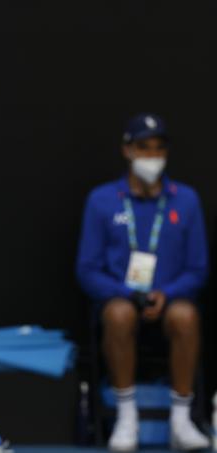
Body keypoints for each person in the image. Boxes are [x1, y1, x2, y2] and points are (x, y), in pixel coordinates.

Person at [76, 113, 210, 451]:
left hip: (171, 299)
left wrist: (167, 294)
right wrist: (128, 294)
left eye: (158, 149)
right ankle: (126, 416)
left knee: (187, 316)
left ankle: (181, 420)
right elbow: (88, 269)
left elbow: (198, 267)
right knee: (119, 314)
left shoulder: (186, 199)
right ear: (127, 150)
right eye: (144, 148)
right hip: (121, 299)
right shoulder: (102, 200)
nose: (152, 156)